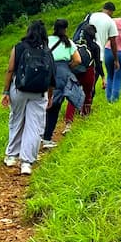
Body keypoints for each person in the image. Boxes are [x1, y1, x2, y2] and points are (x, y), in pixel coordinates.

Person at [1, 20, 54, 175]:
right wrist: (50, 97)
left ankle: (11, 156)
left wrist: (5, 92)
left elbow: (10, 70)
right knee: (34, 125)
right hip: (39, 93)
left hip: (19, 89)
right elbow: (52, 77)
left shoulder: (18, 47)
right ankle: (26, 163)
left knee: (16, 120)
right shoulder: (47, 51)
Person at [42, 19, 84, 148]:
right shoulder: (68, 42)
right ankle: (47, 138)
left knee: (41, 104)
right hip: (61, 73)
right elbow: (78, 60)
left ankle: (35, 135)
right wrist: (67, 68)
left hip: (45, 71)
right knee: (54, 106)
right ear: (66, 28)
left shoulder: (46, 40)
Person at [64, 14, 101, 135]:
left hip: (75, 71)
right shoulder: (95, 47)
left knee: (72, 96)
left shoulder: (75, 44)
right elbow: (98, 64)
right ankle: (85, 116)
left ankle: (68, 123)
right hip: (88, 71)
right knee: (88, 94)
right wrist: (104, 77)